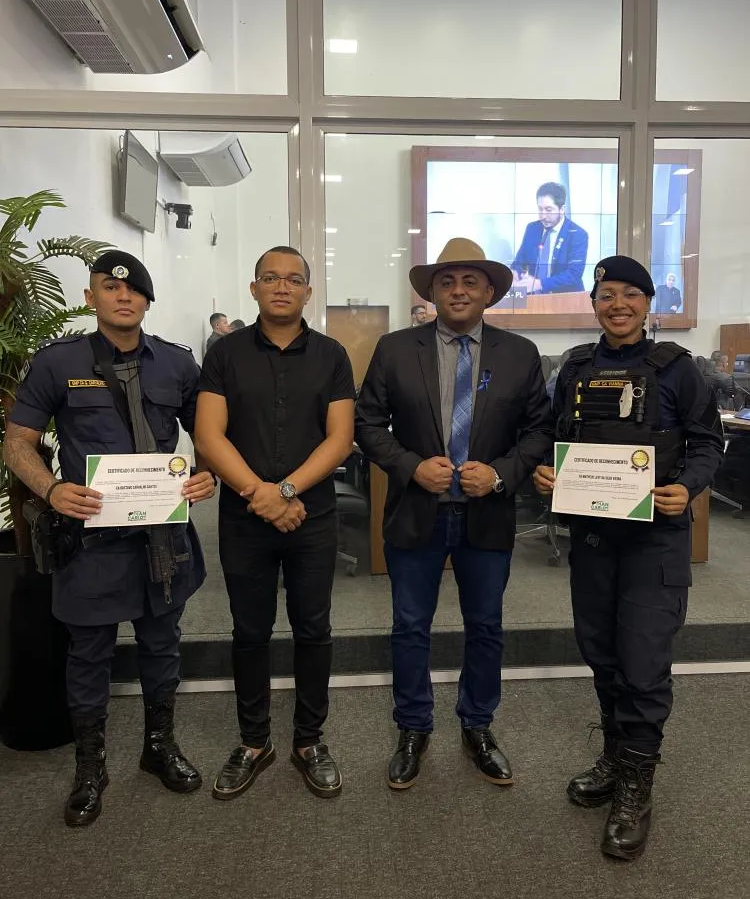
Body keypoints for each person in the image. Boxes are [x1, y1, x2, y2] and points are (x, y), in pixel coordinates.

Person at [4, 250, 216, 828]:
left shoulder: (177, 364)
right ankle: (91, 767)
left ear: (147, 301)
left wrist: (209, 473)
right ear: (90, 296)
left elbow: (210, 435)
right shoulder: (58, 362)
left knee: (161, 644)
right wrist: (50, 490)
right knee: (89, 653)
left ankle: (158, 747)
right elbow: (17, 440)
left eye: (134, 291)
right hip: (91, 539)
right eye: (109, 287)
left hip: (161, 535)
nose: (123, 297)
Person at [533, 255, 723, 861]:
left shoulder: (680, 369)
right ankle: (616, 759)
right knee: (602, 651)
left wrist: (687, 487)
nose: (617, 305)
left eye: (629, 295)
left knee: (643, 659)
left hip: (652, 540)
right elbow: (561, 437)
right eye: (605, 295)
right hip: (592, 537)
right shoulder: (575, 368)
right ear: (593, 304)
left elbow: (705, 442)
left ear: (648, 304)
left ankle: (638, 784)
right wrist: (548, 474)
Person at [355, 237, 553, 791]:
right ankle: (413, 727)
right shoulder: (395, 349)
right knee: (410, 627)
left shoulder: (519, 354)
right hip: (417, 512)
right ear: (432, 292)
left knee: (485, 626)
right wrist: (412, 466)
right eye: (448, 282)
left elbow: (539, 430)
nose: (459, 290)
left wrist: (500, 474)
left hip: (487, 515)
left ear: (489, 292)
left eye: (470, 281)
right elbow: (367, 425)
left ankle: (478, 725)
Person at [194, 245, 355, 801]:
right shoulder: (224, 353)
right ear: (254, 288)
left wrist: (284, 491)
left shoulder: (332, 355)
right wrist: (257, 493)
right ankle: (254, 741)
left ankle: (309, 741)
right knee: (249, 632)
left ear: (308, 291)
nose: (282, 287)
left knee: (314, 629)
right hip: (244, 518)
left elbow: (339, 439)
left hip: (312, 515)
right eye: (270, 278)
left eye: (294, 279)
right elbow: (208, 435)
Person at [512, 181, 589, 294]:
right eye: (540, 209)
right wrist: (514, 273)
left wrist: (540, 284)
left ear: (562, 209)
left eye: (548, 210)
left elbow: (574, 274)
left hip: (566, 300)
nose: (543, 216)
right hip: (535, 300)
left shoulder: (577, 234)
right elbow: (519, 261)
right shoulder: (532, 229)